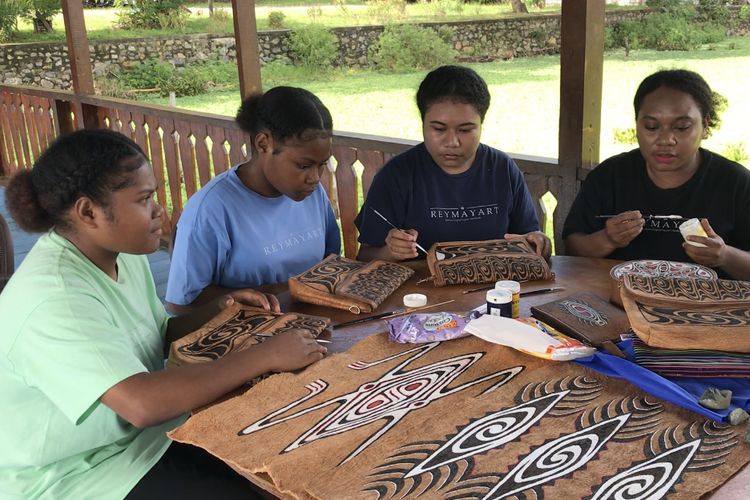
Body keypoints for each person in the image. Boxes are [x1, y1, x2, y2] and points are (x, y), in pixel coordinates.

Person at [0, 129, 326, 499]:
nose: (160, 211)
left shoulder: (117, 254)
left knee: (281, 455)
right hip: (76, 474)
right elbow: (141, 404)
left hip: (145, 439)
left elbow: (158, 334)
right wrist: (266, 355)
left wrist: (220, 309)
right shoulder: (56, 297)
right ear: (89, 212)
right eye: (144, 200)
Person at [166, 86, 341, 313]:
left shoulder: (312, 193)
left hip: (316, 324)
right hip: (246, 339)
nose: (315, 178)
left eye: (322, 165)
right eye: (304, 165)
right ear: (263, 144)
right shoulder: (211, 209)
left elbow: (331, 259)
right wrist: (278, 291)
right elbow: (180, 303)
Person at [563, 69, 750, 280]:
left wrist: (724, 256)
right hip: (619, 303)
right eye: (651, 126)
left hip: (709, 309)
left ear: (705, 125)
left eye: (681, 127)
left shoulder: (736, 183)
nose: (665, 139)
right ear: (637, 125)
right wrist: (608, 239)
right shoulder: (610, 176)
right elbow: (572, 248)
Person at [354, 65, 551, 262]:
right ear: (422, 123)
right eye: (439, 129)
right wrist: (391, 252)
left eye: (465, 130)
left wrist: (540, 243)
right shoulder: (396, 176)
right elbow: (364, 257)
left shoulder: (502, 169)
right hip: (420, 292)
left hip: (493, 291)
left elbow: (531, 239)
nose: (452, 142)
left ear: (481, 125)